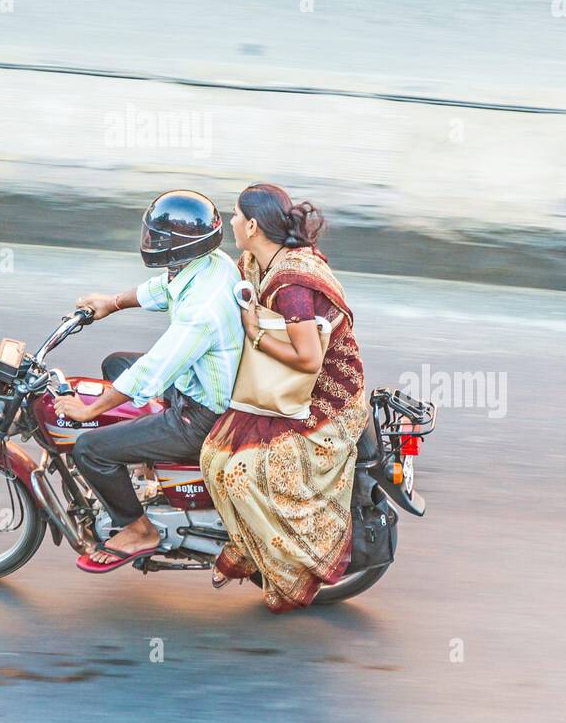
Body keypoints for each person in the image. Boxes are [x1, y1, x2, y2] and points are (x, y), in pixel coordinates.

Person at [53, 190, 245, 574]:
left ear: (177, 245)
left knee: (90, 448)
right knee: (116, 364)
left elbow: (153, 368)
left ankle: (139, 529)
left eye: (157, 238)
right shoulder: (211, 263)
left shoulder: (202, 310)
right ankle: (143, 463)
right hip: (194, 386)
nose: (151, 243)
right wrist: (112, 301)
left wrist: (89, 408)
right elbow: (163, 288)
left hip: (202, 417)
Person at [200, 183, 368, 612]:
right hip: (280, 385)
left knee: (241, 472)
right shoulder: (255, 261)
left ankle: (289, 575)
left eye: (235, 216)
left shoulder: (291, 282)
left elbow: (309, 359)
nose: (231, 222)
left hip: (324, 402)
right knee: (212, 457)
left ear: (253, 225)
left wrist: (256, 335)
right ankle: (245, 543)